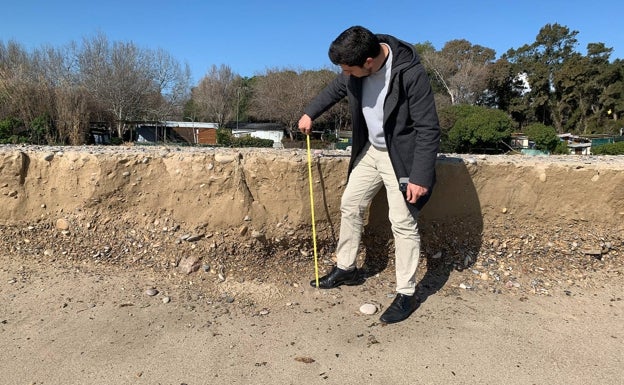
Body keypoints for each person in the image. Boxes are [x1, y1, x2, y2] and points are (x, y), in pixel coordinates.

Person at [298, 26, 440, 324]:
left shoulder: (410, 73)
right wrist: (310, 112)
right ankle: (347, 269)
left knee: (402, 222)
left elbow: (428, 128)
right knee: (350, 203)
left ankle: (406, 293)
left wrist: (420, 176)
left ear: (369, 62)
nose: (344, 73)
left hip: (401, 158)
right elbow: (336, 89)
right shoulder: (355, 67)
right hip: (371, 152)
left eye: (347, 69)